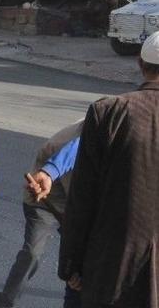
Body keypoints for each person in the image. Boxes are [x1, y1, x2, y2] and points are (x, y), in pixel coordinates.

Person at [59, 31, 159, 308]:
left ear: (140, 64)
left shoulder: (110, 112)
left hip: (111, 267)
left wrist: (72, 265)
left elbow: (82, 198)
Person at [0, 120, 84, 308]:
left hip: (72, 199)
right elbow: (71, 153)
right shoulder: (94, 130)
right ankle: (5, 303)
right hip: (42, 196)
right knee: (32, 253)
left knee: (83, 259)